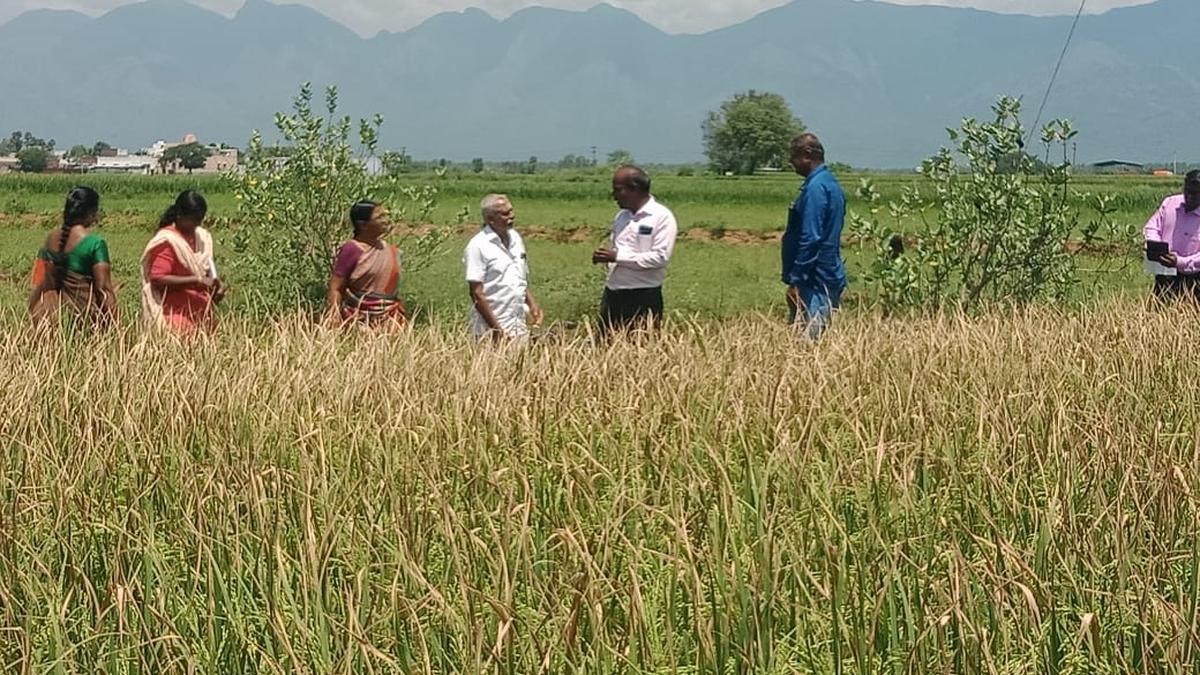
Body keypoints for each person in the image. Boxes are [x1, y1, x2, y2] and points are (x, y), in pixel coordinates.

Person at [592, 165, 678, 335]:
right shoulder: (621, 217)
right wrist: (606, 257)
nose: (614, 195)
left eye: (618, 190)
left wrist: (617, 257)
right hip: (613, 293)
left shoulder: (661, 217)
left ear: (634, 189)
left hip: (642, 296)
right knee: (605, 346)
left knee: (640, 346)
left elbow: (660, 258)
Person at [781, 133, 847, 339]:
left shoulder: (815, 189)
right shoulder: (830, 183)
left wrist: (796, 280)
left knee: (808, 344)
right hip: (826, 274)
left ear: (807, 155)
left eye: (794, 156)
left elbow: (811, 238)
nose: (791, 161)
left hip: (815, 280)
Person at [28, 186, 118, 327]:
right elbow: (103, 291)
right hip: (84, 322)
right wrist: (116, 328)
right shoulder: (95, 244)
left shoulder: (50, 239)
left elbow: (38, 279)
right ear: (91, 212)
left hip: (53, 321)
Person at [141, 190, 225, 334]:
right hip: (175, 318)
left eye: (200, 220)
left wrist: (215, 285)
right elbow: (158, 278)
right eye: (193, 220)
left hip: (201, 317)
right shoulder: (168, 241)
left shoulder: (202, 238)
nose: (197, 224)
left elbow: (207, 271)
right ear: (180, 215)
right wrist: (195, 280)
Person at [464, 194, 542, 341]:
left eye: (511, 211)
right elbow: (476, 293)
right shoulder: (478, 246)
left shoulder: (516, 239)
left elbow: (518, 279)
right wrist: (497, 330)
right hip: (489, 330)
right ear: (490, 219)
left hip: (518, 325)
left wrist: (532, 305)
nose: (512, 216)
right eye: (505, 214)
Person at [326, 200, 407, 327]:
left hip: (390, 320)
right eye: (379, 217)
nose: (385, 221)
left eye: (385, 216)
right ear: (363, 225)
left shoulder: (391, 250)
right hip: (358, 320)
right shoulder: (352, 249)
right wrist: (333, 318)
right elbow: (336, 287)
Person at [1144, 170, 1200, 301]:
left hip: (1195, 278)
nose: (1190, 196)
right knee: (1159, 310)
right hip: (1165, 274)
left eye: (1196, 193)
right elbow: (1152, 227)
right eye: (1188, 191)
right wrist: (1156, 246)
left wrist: (1179, 262)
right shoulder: (1170, 203)